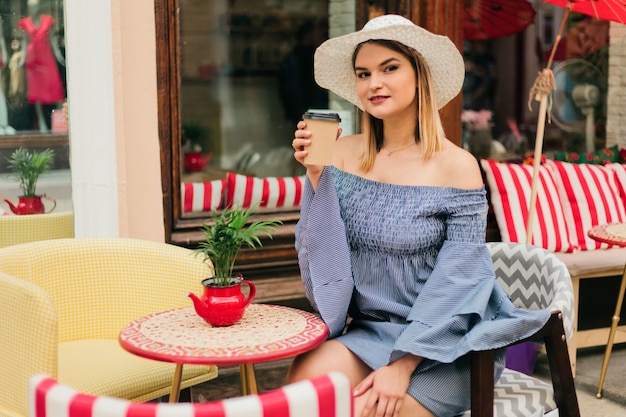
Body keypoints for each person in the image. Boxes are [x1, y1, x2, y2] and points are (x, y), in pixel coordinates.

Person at [288, 15, 551, 417]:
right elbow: (319, 254)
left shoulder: (457, 166)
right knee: (303, 393)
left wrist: (403, 364)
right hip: (370, 331)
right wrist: (316, 177)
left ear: (419, 75)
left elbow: (460, 278)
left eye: (389, 68)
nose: (373, 83)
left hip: (449, 343)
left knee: (366, 411)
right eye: (364, 73)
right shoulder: (339, 154)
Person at [17, 0, 66, 132]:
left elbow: (52, 40)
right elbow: (24, 42)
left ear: (39, 8)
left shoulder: (47, 20)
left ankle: (61, 123)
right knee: (36, 93)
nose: (33, 10)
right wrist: (21, 60)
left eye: (35, 7)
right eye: (31, 7)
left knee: (54, 88)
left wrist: (60, 58)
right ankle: (42, 124)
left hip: (46, 57)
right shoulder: (25, 23)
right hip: (32, 61)